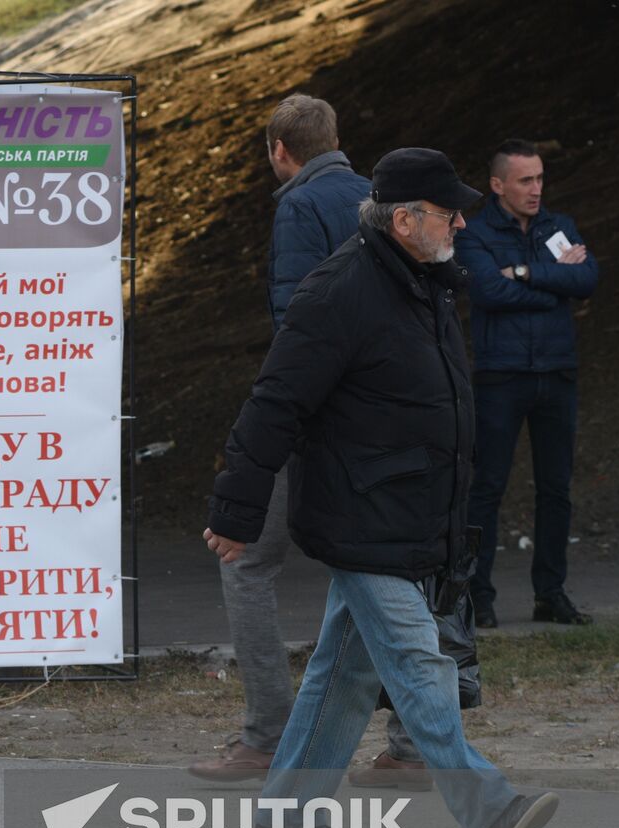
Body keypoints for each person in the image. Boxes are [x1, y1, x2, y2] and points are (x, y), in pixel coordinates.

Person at [204, 148, 557, 828]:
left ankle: (285, 815)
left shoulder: (422, 282)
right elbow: (277, 402)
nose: (462, 220)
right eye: (447, 211)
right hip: (360, 516)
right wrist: (237, 511)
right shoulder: (340, 291)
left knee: (346, 674)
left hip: (405, 517)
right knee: (418, 662)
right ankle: (489, 811)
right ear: (404, 220)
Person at [191, 94, 427, 791]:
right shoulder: (385, 200)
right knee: (384, 566)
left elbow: (300, 324)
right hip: (388, 420)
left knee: (246, 560)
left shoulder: (299, 206)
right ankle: (411, 745)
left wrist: (281, 422)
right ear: (336, 139)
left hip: (321, 418)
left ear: (279, 150)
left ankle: (268, 733)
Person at [454, 139, 599, 628]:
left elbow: (587, 280)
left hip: (557, 373)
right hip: (502, 376)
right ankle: (477, 596)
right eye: (525, 180)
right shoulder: (473, 234)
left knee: (556, 489)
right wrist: (553, 284)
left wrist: (523, 272)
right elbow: (487, 292)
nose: (536, 189)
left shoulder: (560, 227)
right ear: (498, 185)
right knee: (487, 488)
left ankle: (550, 593)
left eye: (539, 178)